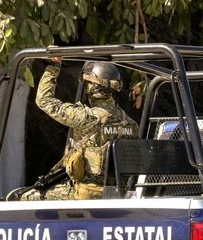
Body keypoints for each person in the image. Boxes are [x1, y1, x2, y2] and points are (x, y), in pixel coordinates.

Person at [24, 56, 138, 200]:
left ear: (92, 86)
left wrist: (53, 67)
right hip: (118, 194)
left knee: (22, 196)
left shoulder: (87, 117)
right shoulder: (130, 123)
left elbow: (44, 100)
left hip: (85, 193)